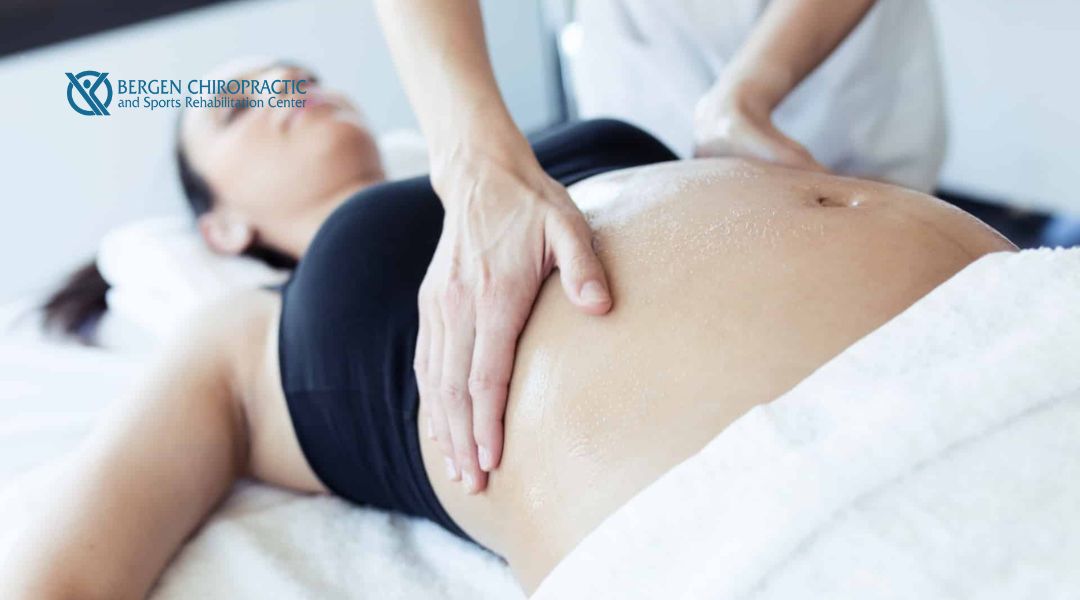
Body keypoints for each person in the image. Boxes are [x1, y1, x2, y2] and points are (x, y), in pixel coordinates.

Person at [6, 61, 1013, 599]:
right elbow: (66, 577)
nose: (288, 89)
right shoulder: (238, 332)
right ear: (222, 228)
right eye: (238, 106)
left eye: (295, 73)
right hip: (790, 504)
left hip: (1017, 324)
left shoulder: (516, 145)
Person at [371, 0, 945, 494]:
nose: (305, 93)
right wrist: (471, 164)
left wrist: (742, 97)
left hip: (845, 88)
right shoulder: (283, 99)